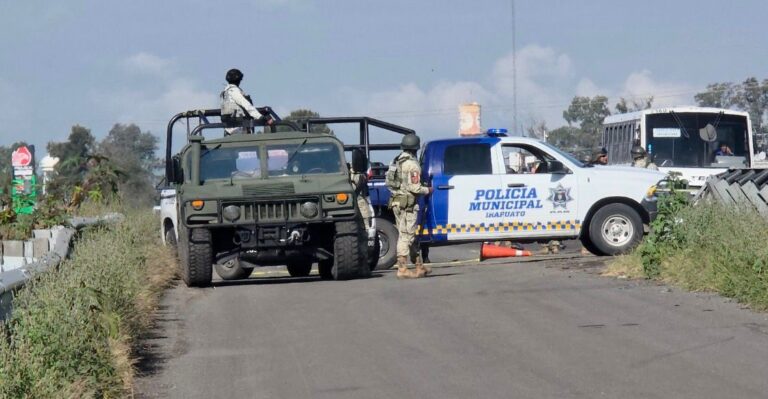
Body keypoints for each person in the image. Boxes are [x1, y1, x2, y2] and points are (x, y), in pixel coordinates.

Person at [387, 134, 433, 279]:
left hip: (396, 202)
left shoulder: (395, 161)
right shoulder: (412, 165)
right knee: (406, 235)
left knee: (409, 234)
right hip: (408, 205)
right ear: (415, 148)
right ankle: (402, 268)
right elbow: (415, 188)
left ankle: (419, 266)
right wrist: (428, 190)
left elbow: (389, 183)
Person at [220, 68, 269, 135]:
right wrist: (260, 116)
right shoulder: (234, 91)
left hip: (229, 127)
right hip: (238, 126)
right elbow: (245, 104)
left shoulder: (225, 92)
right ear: (238, 80)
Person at [349, 149, 372, 230]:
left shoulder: (353, 174)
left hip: (356, 200)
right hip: (359, 200)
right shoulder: (358, 176)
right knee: (366, 222)